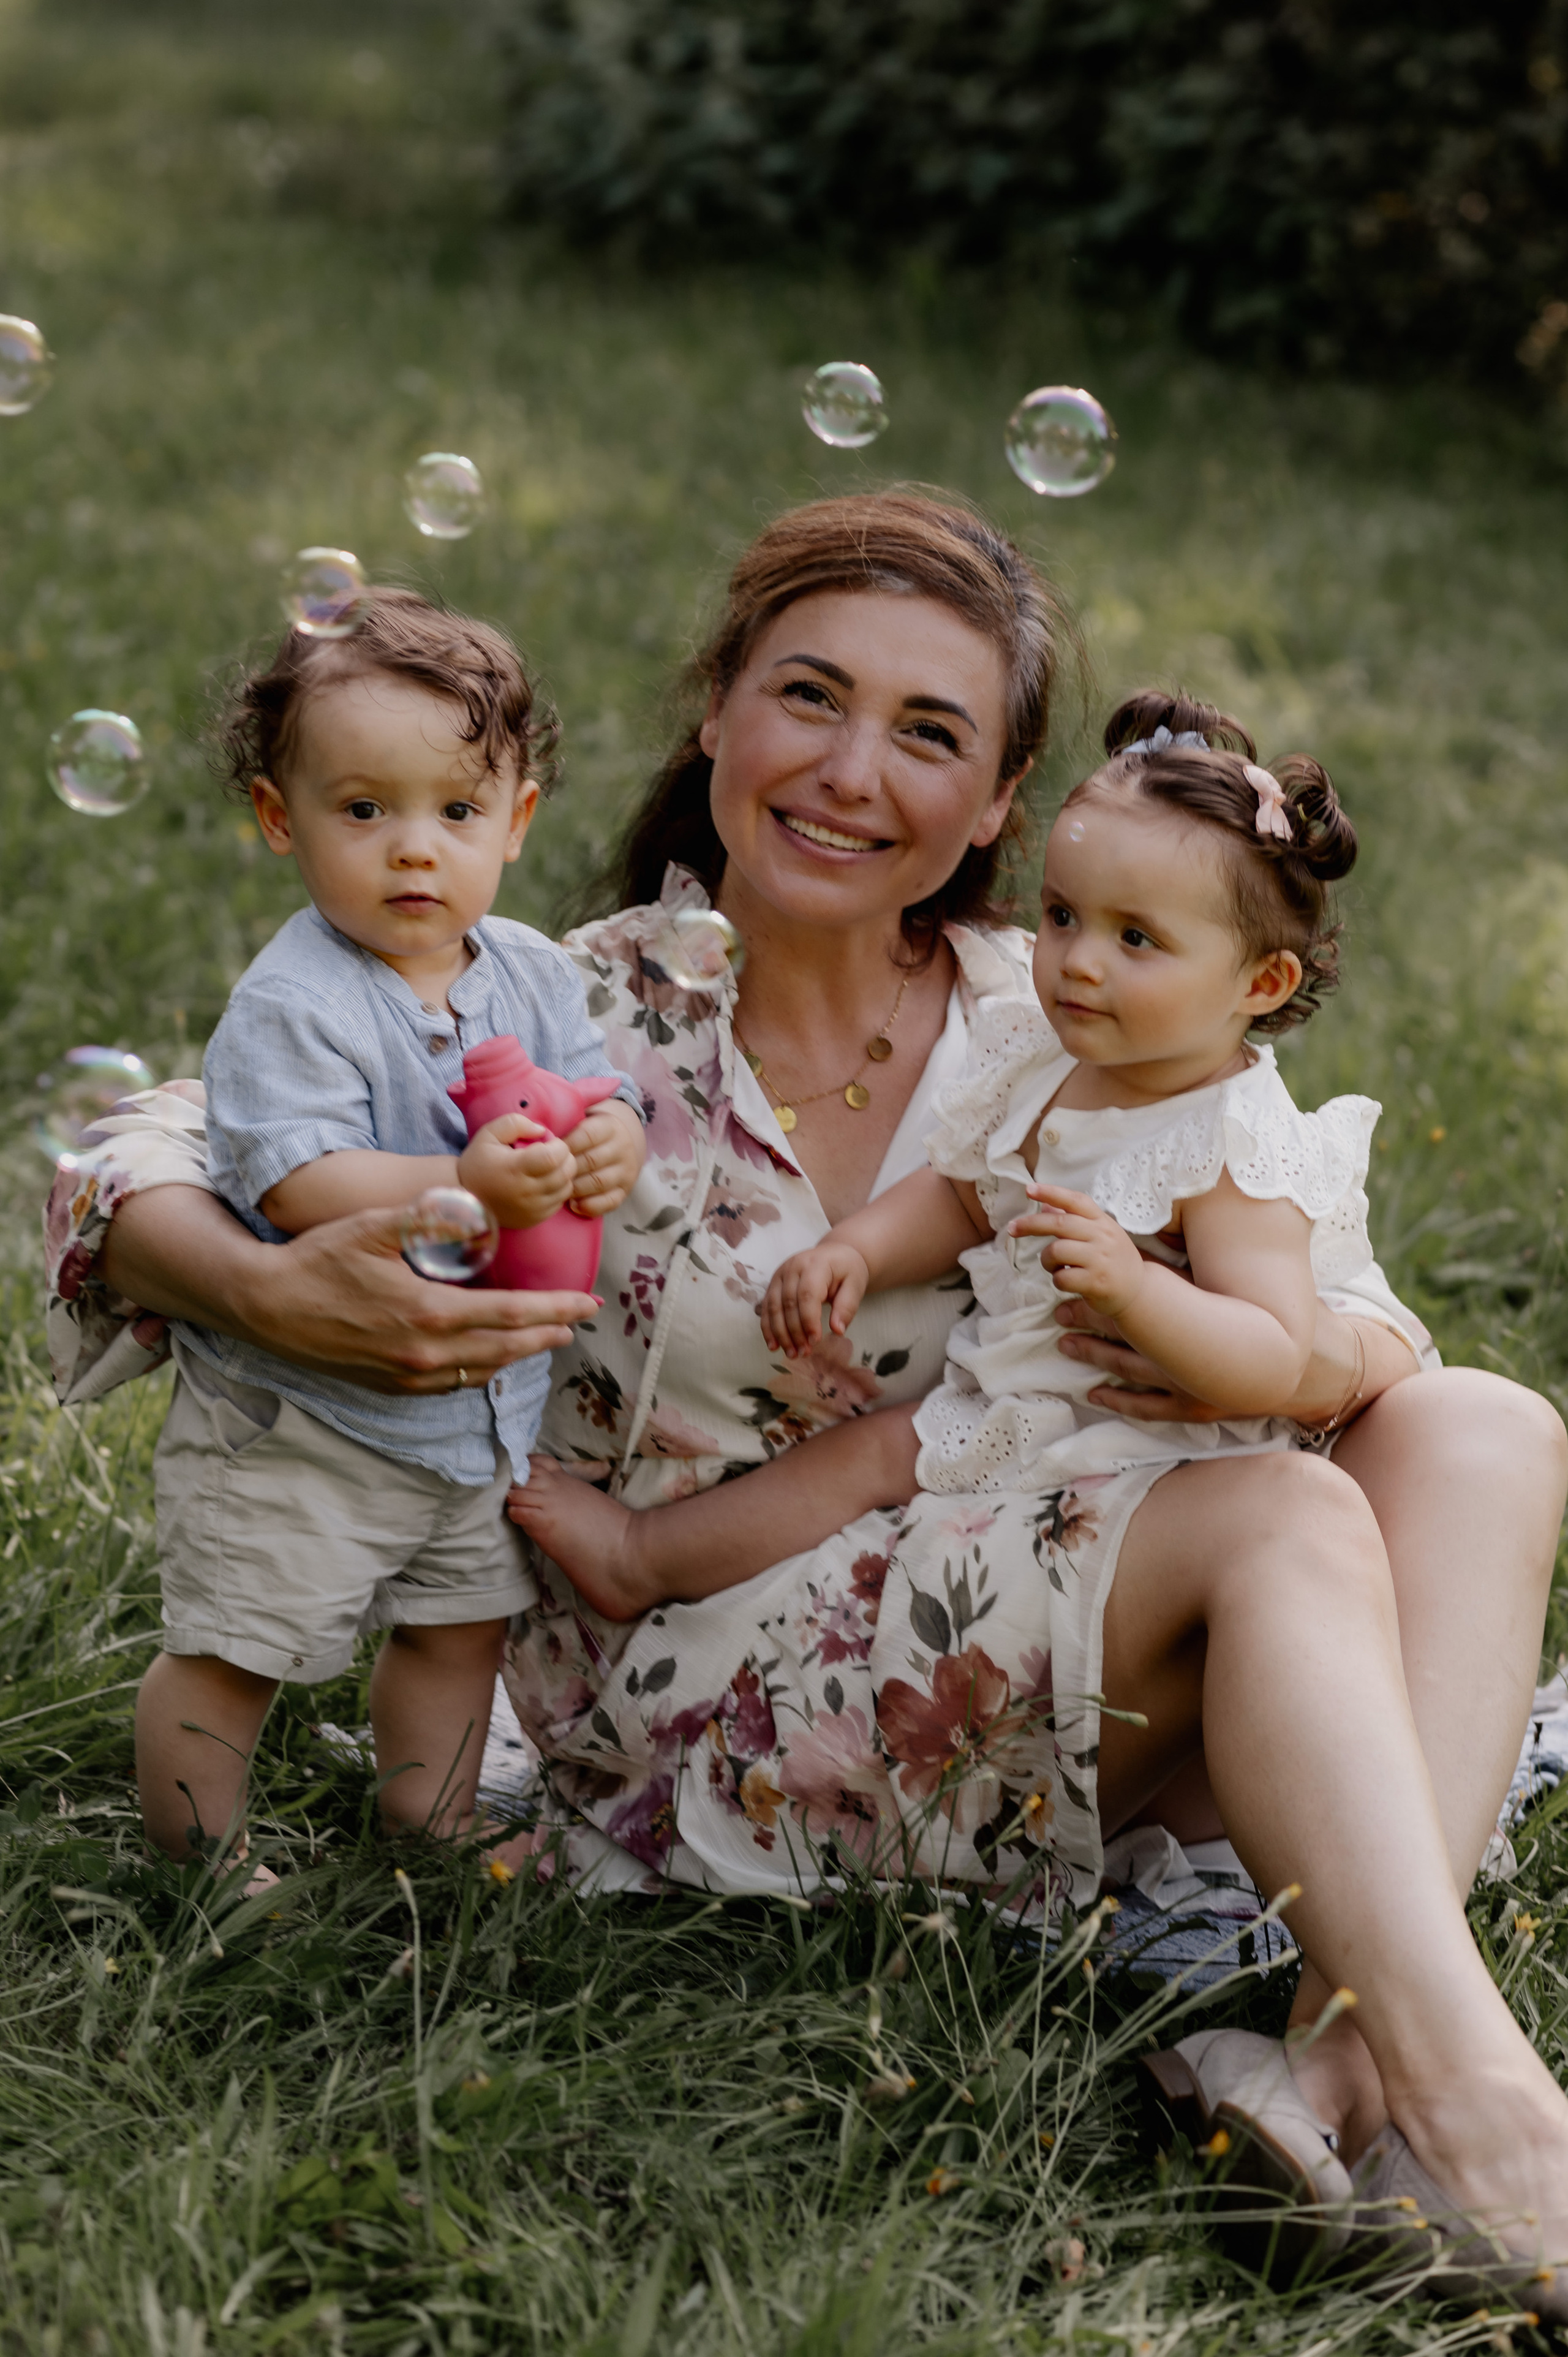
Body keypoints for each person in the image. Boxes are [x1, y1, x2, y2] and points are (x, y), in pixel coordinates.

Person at [43, 495, 1568, 2283]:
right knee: (1291, 1510)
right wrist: (250, 1276)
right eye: (809, 697)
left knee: (1488, 1423)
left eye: (929, 734)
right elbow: (132, 1147)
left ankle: (1330, 2072)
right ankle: (1492, 2121)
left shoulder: (1069, 999)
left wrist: (1237, 1336)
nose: (853, 771)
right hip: (724, 1672)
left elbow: (1355, 1313)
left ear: (999, 802)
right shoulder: (573, 1007)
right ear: (717, 717)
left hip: (1084, 1617)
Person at [510, 705, 1379, 1625]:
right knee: (876, 1454)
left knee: (888, 1455)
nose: (1078, 963)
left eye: (1136, 940)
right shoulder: (1049, 1061)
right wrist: (860, 1253)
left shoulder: (1234, 1144)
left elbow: (1272, 1357)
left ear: (1263, 984)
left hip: (1148, 1463)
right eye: (1063, 915)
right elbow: (968, 1194)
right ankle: (641, 1557)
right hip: (1028, 1420)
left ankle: (644, 1558)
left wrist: (1137, 1291)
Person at [132, 589, 644, 1867]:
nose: (415, 850)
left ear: (515, 824)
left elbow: (595, 1092)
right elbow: (297, 1184)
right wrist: (456, 1185)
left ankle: (437, 1816)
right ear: (279, 819)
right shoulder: (292, 1002)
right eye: (364, 811)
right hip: (304, 1426)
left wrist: (609, 1140)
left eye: (456, 812)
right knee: (237, 1649)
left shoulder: (529, 967)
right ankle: (202, 1857)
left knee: (458, 1630)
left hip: (478, 1422)